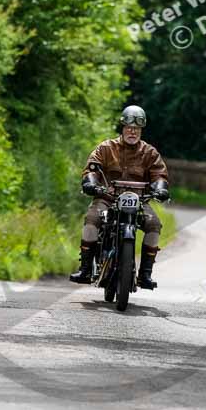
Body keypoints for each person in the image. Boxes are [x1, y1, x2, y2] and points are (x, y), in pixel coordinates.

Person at [70, 105, 169, 289]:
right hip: (107, 198)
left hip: (138, 201)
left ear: (141, 130)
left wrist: (161, 188)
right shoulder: (106, 148)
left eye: (137, 129)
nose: (133, 132)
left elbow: (159, 175)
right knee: (91, 220)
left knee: (154, 224)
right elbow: (92, 168)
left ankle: (145, 275)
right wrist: (91, 183)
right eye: (129, 128)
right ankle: (85, 269)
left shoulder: (150, 153)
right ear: (122, 128)